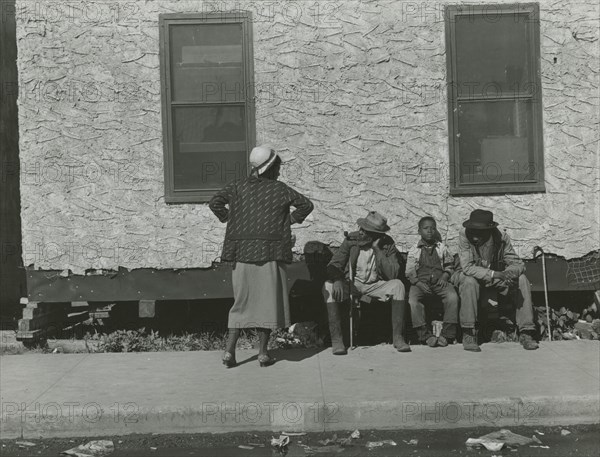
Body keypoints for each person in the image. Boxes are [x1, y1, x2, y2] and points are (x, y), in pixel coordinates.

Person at [209, 145, 314, 367]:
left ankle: (229, 351)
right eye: (277, 167)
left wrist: (230, 218)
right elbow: (306, 205)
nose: (279, 171)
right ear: (270, 167)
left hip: (242, 254)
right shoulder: (280, 189)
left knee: (241, 302)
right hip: (270, 254)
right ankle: (263, 353)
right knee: (267, 303)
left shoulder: (236, 187)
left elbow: (214, 202)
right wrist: (289, 222)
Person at [322, 211, 410, 354]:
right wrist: (337, 279)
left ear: (377, 234)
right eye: (361, 228)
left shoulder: (387, 244)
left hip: (375, 285)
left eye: (366, 230)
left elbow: (393, 274)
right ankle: (337, 341)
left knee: (398, 286)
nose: (361, 232)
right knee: (328, 285)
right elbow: (334, 264)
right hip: (352, 283)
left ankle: (398, 338)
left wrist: (378, 250)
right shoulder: (351, 240)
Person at [452, 209, 539, 352]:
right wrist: (495, 274)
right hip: (470, 275)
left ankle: (526, 332)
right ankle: (469, 334)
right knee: (469, 282)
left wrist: (509, 273)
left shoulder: (501, 238)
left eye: (479, 232)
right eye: (472, 230)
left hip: (495, 276)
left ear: (489, 230)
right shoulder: (464, 235)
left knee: (522, 279)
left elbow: (518, 264)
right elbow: (467, 267)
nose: (474, 235)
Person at [406, 216, 458, 347]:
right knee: (413, 300)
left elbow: (450, 265)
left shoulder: (442, 248)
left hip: (439, 282)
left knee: (452, 297)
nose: (429, 231)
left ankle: (447, 334)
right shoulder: (414, 250)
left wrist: (445, 276)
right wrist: (417, 283)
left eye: (432, 228)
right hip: (420, 283)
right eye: (425, 228)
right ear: (419, 231)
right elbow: (409, 272)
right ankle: (424, 335)